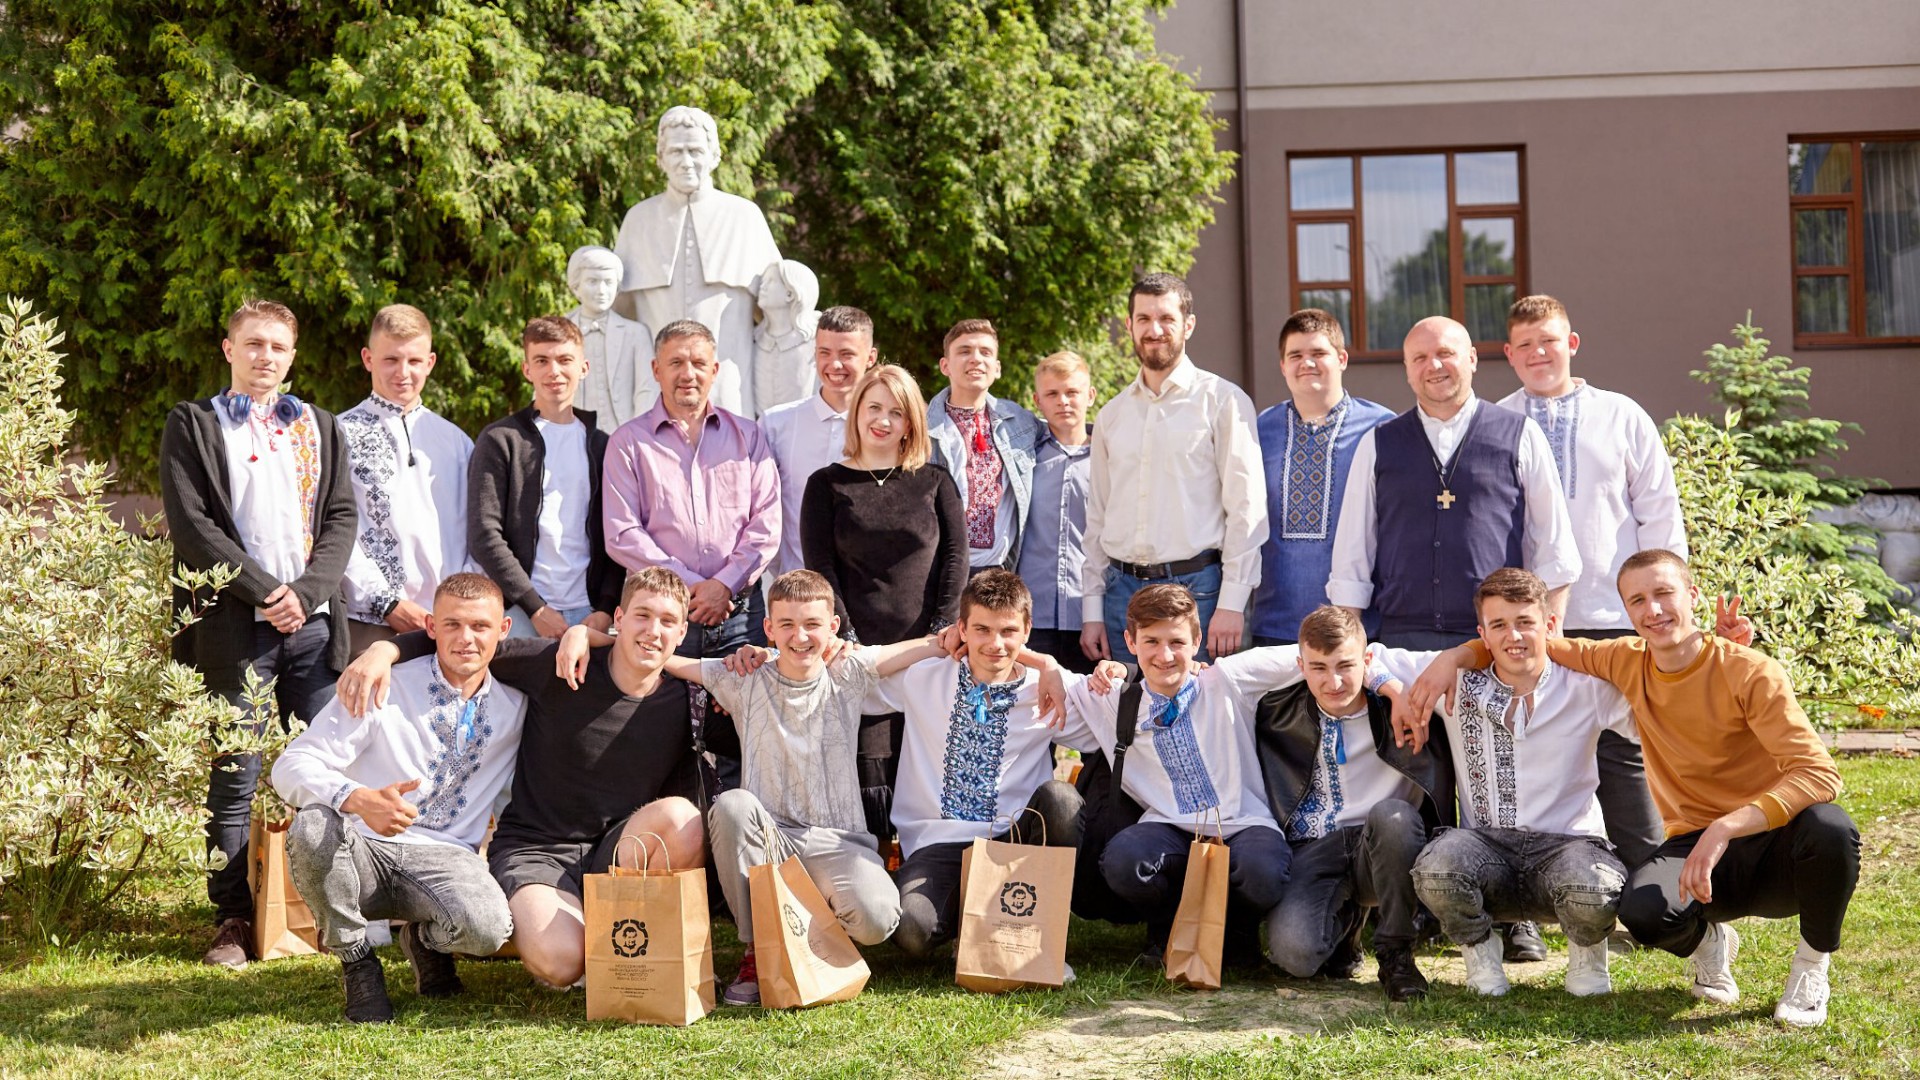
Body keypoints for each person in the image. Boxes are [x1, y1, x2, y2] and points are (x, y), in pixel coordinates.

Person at [1407, 549, 1857, 1027]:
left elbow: (1820, 775)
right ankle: (1711, 943)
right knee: (1642, 912)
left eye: (1664, 593)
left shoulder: (1751, 670)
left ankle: (1811, 967)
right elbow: (1525, 642)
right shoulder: (1623, 660)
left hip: (1773, 839)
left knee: (1830, 828)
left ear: (1692, 596)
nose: (1653, 610)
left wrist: (1725, 827)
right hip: (1696, 842)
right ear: (1626, 611)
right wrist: (1453, 658)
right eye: (1638, 600)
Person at [559, 570, 953, 1006]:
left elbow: (931, 646)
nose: (800, 636)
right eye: (786, 625)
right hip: (768, 841)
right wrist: (583, 632)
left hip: (838, 843)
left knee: (877, 921)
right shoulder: (743, 676)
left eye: (812, 625)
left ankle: (811, 926)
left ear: (833, 628)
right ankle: (756, 950)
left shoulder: (848, 670)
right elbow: (659, 653)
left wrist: (1042, 664)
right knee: (732, 805)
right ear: (768, 628)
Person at [335, 567, 708, 990]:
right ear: (618, 619)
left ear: (682, 633)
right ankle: (436, 935)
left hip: (616, 851)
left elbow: (768, 689)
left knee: (682, 817)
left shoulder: (687, 700)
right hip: (537, 849)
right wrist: (384, 650)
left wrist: (726, 665)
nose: (653, 630)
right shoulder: (560, 664)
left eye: (667, 622)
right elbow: (472, 642)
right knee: (562, 964)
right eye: (642, 616)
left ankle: (637, 950)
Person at [160, 299, 357, 968]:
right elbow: (194, 529)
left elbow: (340, 522)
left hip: (313, 628)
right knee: (235, 777)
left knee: (334, 766)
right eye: (253, 344)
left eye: (277, 345)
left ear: (292, 356)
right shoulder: (193, 424)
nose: (264, 356)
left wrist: (302, 596)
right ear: (228, 349)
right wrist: (266, 593)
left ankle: (345, 909)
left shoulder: (322, 428)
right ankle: (233, 920)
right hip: (234, 629)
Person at [1370, 569, 1638, 998]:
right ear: (1483, 633)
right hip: (1487, 850)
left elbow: (1658, 713)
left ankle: (1588, 954)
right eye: (1498, 625)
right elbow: (1369, 656)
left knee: (1597, 886)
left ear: (1549, 625)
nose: (1513, 636)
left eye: (1525, 622)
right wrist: (1403, 690)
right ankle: (1480, 954)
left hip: (1568, 846)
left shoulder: (1587, 687)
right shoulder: (1453, 679)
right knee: (1436, 868)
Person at [271, 573, 525, 1023]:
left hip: (448, 858)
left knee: (489, 930)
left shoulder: (517, 705)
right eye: (452, 625)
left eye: (480, 627)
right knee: (312, 825)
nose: (466, 639)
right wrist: (357, 797)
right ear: (430, 627)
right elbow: (289, 766)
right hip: (361, 851)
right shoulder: (381, 685)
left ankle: (423, 941)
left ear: (503, 630)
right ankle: (357, 962)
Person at [1069, 585, 1354, 968]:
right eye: (1151, 641)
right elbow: (1032, 674)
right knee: (1124, 860)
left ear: (1198, 640)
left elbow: (1323, 653)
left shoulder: (1227, 680)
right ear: (1130, 641)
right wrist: (961, 636)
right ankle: (1168, 928)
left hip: (1243, 823)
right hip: (1168, 828)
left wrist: (1389, 679)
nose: (1165, 655)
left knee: (1263, 871)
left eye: (1177, 641)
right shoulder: (1113, 697)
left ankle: (1237, 932)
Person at [1498, 294, 1686, 870]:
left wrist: (1661, 604)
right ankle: (1538, 887)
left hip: (1611, 615)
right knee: (1536, 754)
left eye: (1549, 340)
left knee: (1623, 753)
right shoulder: (1498, 420)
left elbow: (1659, 513)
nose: (1538, 353)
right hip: (1531, 624)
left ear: (1571, 344)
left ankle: (1653, 890)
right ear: (1508, 354)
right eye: (1525, 344)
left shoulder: (1621, 415)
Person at [1330, 315, 1581, 652]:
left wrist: (1550, 637)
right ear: (1407, 370)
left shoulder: (1520, 434)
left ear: (1472, 359)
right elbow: (1353, 552)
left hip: (1497, 640)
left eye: (1445, 352)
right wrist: (1350, 643)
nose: (1433, 365)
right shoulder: (1377, 443)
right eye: (1419, 358)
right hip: (1403, 642)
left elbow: (1554, 545)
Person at [800, 363, 967, 839]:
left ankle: (925, 861)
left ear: (910, 422)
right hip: (858, 651)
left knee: (925, 753)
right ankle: (874, 858)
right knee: (870, 761)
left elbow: (956, 559)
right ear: (856, 414)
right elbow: (821, 569)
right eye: (874, 407)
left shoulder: (935, 481)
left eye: (896, 412)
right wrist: (848, 638)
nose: (883, 420)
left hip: (930, 648)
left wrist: (939, 632)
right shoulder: (826, 485)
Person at [885, 570, 1089, 959]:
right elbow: (860, 667)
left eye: (1008, 631)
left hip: (1014, 839)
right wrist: (934, 643)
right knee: (911, 931)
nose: (995, 644)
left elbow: (1118, 704)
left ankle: (1039, 934)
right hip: (938, 842)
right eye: (981, 630)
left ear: (1027, 630)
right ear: (961, 628)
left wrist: (1051, 666)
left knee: (1061, 799)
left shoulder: (1046, 689)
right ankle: (981, 921)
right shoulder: (922, 677)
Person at [1254, 605, 1449, 1002]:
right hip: (1313, 847)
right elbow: (1221, 669)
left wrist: (1391, 687)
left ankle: (1396, 954)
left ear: (1368, 660)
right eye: (1319, 668)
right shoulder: (1277, 706)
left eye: (1346, 665)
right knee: (1296, 955)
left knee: (1392, 816)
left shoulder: (1404, 698)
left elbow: (1470, 654)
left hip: (1381, 843)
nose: (1334, 681)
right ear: (1299, 665)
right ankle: (1347, 929)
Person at [1082, 273, 1266, 665]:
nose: (1155, 329)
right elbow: (1097, 516)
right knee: (1129, 719)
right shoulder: (1112, 415)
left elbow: (1246, 511)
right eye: (1144, 318)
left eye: (1166, 318)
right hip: (1120, 596)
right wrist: (1092, 610)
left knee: (1204, 718)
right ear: (1129, 325)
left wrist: (1233, 602)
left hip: (1198, 592)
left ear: (1188, 324)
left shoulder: (1224, 401)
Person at [604, 318, 780, 662]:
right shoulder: (627, 443)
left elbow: (767, 523)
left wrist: (724, 584)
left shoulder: (748, 437)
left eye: (698, 363)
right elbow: (622, 533)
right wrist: (687, 587)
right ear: (657, 370)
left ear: (714, 370)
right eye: (675, 363)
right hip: (662, 619)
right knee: (662, 715)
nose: (688, 374)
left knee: (742, 714)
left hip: (740, 618)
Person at [613, 105, 781, 416]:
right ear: (661, 158)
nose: (686, 161)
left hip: (729, 387)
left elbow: (780, 312)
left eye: (695, 150)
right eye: (676, 151)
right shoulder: (639, 219)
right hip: (654, 391)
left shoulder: (743, 217)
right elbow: (617, 317)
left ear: (715, 155)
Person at [467, 317, 621, 641]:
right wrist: (534, 606)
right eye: (542, 361)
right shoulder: (501, 439)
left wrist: (606, 607)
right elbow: (484, 534)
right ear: (527, 370)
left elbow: (615, 534)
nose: (554, 371)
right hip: (521, 612)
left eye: (565, 360)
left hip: (589, 614)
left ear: (583, 367)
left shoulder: (603, 445)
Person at [1251, 310, 1394, 648]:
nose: (1307, 363)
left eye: (1319, 354)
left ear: (1342, 358)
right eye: (1296, 355)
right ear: (1283, 366)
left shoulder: (1383, 427)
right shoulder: (1258, 430)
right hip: (1275, 623)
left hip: (1359, 624)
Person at [337, 304, 474, 657]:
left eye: (414, 361)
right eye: (390, 360)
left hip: (448, 624)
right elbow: (332, 530)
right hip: (369, 622)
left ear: (430, 362)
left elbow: (476, 529)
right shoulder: (338, 434)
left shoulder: (457, 441)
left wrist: (458, 606)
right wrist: (386, 602)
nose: (403, 372)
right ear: (368, 358)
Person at [759, 305, 879, 580]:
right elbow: (761, 508)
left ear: (870, 357)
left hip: (865, 591)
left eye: (847, 354)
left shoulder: (889, 428)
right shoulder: (776, 424)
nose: (834, 365)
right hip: (795, 588)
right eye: (824, 353)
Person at [926, 319, 1040, 576]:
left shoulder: (1022, 424)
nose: (976, 359)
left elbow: (1063, 436)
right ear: (945, 365)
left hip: (999, 573)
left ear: (997, 368)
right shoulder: (921, 429)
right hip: (938, 573)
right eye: (964, 351)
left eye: (985, 352)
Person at [1016, 351, 1097, 674]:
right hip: (1032, 614)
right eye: (1052, 394)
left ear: (1090, 395)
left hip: (1088, 615)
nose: (1063, 401)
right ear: (1038, 400)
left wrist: (1097, 614)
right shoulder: (1023, 460)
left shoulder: (1110, 459)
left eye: (1072, 392)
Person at [564, 244, 655, 432]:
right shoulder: (560, 332)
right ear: (576, 287)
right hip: (572, 434)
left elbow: (646, 390)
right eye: (592, 281)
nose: (601, 290)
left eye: (608, 282)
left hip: (623, 435)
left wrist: (639, 434)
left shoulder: (636, 334)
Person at [751, 258, 820, 415]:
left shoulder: (814, 342)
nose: (762, 287)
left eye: (771, 281)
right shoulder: (755, 340)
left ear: (790, 294)